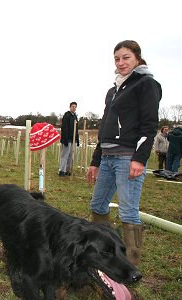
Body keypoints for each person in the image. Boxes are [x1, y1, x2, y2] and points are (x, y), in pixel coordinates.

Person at [86, 40, 162, 267]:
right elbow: (105, 128)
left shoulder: (146, 84)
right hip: (107, 157)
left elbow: (149, 126)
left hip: (128, 157)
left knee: (128, 212)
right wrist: (95, 160)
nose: (121, 63)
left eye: (126, 57)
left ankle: (131, 266)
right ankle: (105, 255)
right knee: (98, 206)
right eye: (117, 59)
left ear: (137, 58)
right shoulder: (113, 90)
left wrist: (140, 158)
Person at [58, 102, 79, 176]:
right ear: (70, 107)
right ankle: (61, 170)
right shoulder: (66, 115)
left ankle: (68, 170)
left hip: (74, 139)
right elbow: (64, 128)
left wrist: (77, 140)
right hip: (67, 139)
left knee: (72, 155)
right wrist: (65, 140)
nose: (74, 108)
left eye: (75, 107)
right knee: (65, 155)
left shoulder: (75, 116)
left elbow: (76, 129)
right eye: (73, 106)